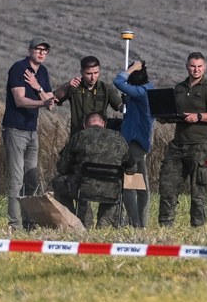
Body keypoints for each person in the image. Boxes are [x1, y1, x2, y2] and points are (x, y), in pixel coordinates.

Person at [52, 55, 123, 222]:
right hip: (78, 143)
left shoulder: (106, 88)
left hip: (101, 145)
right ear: (82, 72)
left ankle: (107, 219)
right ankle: (78, 219)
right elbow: (55, 98)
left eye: (96, 73)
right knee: (76, 180)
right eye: (89, 73)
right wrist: (67, 85)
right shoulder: (75, 88)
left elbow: (120, 106)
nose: (92, 77)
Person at [157, 52, 207, 227]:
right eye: (193, 66)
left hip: (199, 146)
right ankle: (165, 226)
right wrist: (163, 115)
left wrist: (199, 116)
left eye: (199, 66)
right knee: (167, 186)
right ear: (187, 66)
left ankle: (198, 227)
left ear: (205, 67)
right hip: (178, 145)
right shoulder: (179, 88)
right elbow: (173, 111)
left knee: (198, 190)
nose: (196, 70)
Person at [3, 37, 56, 231]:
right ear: (30, 50)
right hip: (15, 130)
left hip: (33, 131)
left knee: (31, 179)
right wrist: (43, 100)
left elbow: (51, 103)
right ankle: (15, 225)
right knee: (16, 180)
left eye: (45, 50)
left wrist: (37, 87)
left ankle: (29, 222)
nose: (41, 53)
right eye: (38, 49)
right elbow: (20, 100)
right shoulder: (19, 69)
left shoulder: (43, 72)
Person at [51, 112, 135, 228]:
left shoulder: (79, 136)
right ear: (103, 124)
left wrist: (75, 168)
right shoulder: (119, 138)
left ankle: (78, 220)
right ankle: (104, 222)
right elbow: (131, 169)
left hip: (84, 188)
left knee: (58, 182)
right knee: (114, 187)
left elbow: (62, 167)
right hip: (112, 189)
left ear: (84, 125)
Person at [114, 58, 154, 228]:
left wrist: (131, 69)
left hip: (134, 143)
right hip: (137, 143)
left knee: (131, 184)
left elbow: (118, 81)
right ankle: (139, 222)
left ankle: (136, 223)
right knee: (140, 184)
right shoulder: (146, 90)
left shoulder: (142, 92)